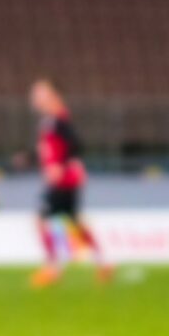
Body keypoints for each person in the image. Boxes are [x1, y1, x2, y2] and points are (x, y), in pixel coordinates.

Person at [26, 79, 109, 288]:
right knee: (73, 221)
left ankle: (53, 269)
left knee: (41, 220)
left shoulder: (58, 119)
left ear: (53, 96)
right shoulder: (49, 121)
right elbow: (51, 150)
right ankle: (102, 263)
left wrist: (60, 166)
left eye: (40, 93)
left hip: (64, 180)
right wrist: (28, 158)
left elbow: (75, 143)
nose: (35, 98)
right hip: (65, 179)